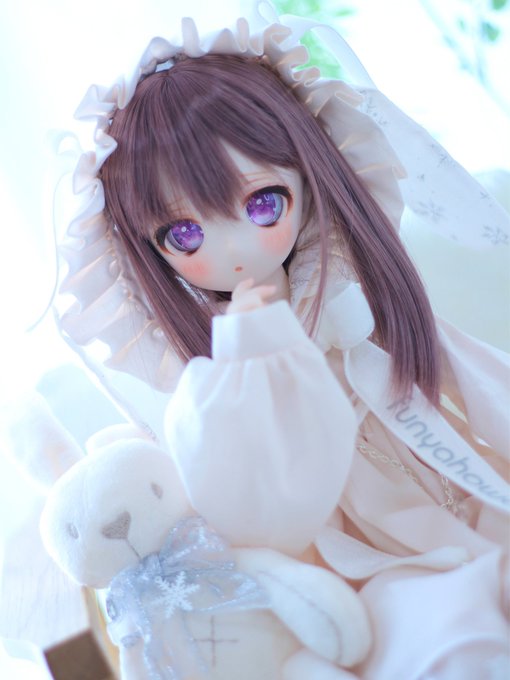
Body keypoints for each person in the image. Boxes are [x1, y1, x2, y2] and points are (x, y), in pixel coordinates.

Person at [54, 1, 509, 677]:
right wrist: (252, 350)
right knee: (452, 638)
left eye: (263, 203)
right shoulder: (209, 381)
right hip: (343, 557)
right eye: (185, 234)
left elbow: (476, 380)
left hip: (456, 490)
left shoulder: (351, 301)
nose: (235, 249)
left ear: (308, 173)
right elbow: (243, 506)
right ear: (148, 250)